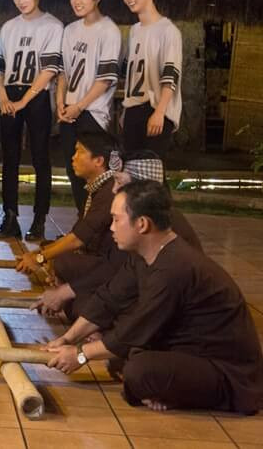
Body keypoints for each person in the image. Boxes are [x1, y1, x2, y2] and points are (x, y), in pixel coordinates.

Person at [45, 180, 262, 414]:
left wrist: (80, 356)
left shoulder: (174, 268)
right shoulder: (145, 254)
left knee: (138, 371)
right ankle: (170, 389)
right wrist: (67, 339)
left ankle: (186, 395)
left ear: (142, 224)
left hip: (227, 370)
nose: (111, 228)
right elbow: (109, 298)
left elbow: (137, 327)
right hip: (185, 351)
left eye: (116, 220)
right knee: (121, 353)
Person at [30, 148, 203, 317]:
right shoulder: (138, 213)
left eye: (119, 183)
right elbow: (118, 266)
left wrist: (65, 292)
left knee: (87, 305)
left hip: (167, 305)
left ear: (141, 189)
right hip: (139, 288)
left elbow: (117, 272)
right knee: (82, 300)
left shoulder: (154, 220)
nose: (113, 190)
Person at [0, 0, 64, 241]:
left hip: (36, 96)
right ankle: (10, 216)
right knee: (9, 158)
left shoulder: (53, 26)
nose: (21, 1)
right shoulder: (9, 27)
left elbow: (49, 70)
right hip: (10, 93)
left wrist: (24, 100)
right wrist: (2, 95)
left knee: (40, 158)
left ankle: (39, 219)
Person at [16, 131, 120, 317]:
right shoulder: (101, 187)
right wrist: (40, 253)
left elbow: (77, 239)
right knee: (53, 250)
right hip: (98, 260)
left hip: (112, 266)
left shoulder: (110, 190)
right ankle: (68, 290)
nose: (73, 157)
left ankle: (69, 289)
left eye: (80, 152)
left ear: (98, 161)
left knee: (61, 259)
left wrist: (40, 258)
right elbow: (77, 233)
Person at [57, 0, 121, 213]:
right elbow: (63, 72)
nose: (77, 1)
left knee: (96, 174)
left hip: (92, 113)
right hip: (69, 111)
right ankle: (82, 222)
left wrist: (80, 106)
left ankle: (98, 224)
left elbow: (105, 79)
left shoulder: (109, 30)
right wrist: (60, 102)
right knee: (73, 170)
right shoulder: (70, 30)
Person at [119, 0, 182, 157]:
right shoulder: (134, 30)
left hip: (155, 108)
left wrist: (160, 112)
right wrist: (126, 110)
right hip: (133, 109)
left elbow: (170, 75)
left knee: (151, 168)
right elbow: (131, 75)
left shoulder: (168, 30)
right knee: (130, 168)